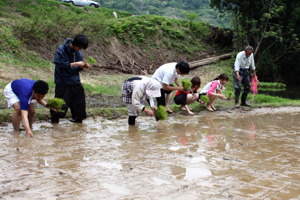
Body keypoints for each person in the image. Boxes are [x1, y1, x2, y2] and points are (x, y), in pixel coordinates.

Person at [50, 34, 90, 124]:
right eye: (80, 47)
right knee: (59, 103)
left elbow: (78, 69)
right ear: (75, 44)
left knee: (79, 102)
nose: (80, 50)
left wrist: (83, 66)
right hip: (62, 80)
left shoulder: (79, 53)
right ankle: (54, 122)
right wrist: (75, 64)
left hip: (75, 80)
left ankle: (78, 121)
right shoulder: (61, 50)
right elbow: (59, 64)